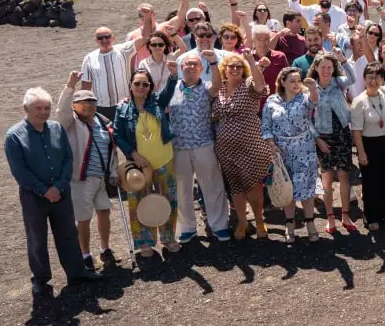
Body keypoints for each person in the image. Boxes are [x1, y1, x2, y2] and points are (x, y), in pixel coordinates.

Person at [6, 87, 101, 299]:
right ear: (26, 109)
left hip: (61, 192)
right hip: (34, 196)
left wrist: (58, 187)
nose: (43, 112)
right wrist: (45, 190)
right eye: (38, 108)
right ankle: (40, 280)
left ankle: (76, 272)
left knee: (68, 234)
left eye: (47, 108)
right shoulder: (14, 137)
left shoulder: (57, 129)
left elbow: (68, 159)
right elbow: (19, 171)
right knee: (37, 239)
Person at [112, 66, 180, 258]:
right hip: (138, 164)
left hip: (164, 160)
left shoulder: (157, 101)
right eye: (137, 83)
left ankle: (169, 237)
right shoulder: (122, 108)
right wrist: (133, 154)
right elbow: (117, 134)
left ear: (150, 87)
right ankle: (144, 242)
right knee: (139, 202)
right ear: (131, 86)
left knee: (170, 199)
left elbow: (169, 88)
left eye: (145, 84)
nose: (141, 87)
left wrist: (174, 75)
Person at [56, 72, 119, 269]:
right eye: (83, 102)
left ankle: (105, 249)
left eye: (92, 101)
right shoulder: (70, 123)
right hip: (81, 179)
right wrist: (69, 87)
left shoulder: (103, 123)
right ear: (74, 106)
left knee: (104, 211)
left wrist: (114, 172)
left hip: (101, 177)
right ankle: (85, 254)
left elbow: (112, 150)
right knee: (83, 218)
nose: (88, 105)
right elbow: (61, 112)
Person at [166, 53, 230, 242]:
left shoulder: (207, 87)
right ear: (181, 67)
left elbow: (218, 85)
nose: (191, 67)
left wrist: (213, 62)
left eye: (195, 64)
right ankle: (187, 228)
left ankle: (219, 225)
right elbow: (157, 102)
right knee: (182, 188)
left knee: (212, 186)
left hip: (204, 144)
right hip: (179, 146)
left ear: (201, 69)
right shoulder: (173, 88)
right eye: (187, 64)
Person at [212, 50, 273, 240]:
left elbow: (260, 85)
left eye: (239, 66)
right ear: (225, 69)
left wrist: (251, 61)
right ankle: (242, 222)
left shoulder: (248, 85)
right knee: (236, 186)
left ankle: (260, 221)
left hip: (250, 145)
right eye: (232, 66)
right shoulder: (219, 89)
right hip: (225, 149)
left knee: (253, 185)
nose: (235, 69)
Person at [261, 67, 321, 242]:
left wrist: (313, 88)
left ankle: (310, 223)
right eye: (292, 81)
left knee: (307, 186)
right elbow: (266, 127)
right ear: (283, 82)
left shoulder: (304, 98)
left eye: (298, 80)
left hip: (304, 148)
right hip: (282, 151)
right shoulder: (272, 101)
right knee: (287, 187)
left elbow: (314, 102)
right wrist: (271, 143)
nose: (296, 84)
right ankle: (290, 225)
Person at [309, 52, 358, 235]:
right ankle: (330, 218)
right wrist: (317, 139)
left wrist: (342, 60)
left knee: (344, 176)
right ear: (316, 68)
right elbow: (307, 118)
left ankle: (345, 215)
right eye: (323, 67)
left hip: (343, 134)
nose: (327, 71)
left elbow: (352, 78)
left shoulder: (339, 81)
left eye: (330, 67)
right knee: (327, 180)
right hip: (324, 137)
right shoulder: (311, 89)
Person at [352, 62, 385, 231]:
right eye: (370, 77)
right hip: (368, 144)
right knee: (371, 182)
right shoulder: (358, 101)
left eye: (378, 77)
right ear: (364, 79)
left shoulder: (384, 93)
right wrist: (361, 153)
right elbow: (356, 131)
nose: (374, 81)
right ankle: (371, 215)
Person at [81, 22, 149, 120]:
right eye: (100, 38)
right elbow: (85, 86)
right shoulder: (89, 58)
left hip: (125, 104)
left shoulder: (124, 50)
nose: (104, 40)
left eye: (107, 36)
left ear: (113, 38)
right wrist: (85, 106)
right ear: (96, 40)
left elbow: (145, 38)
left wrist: (147, 16)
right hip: (101, 108)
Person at [136, 30, 176, 95]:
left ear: (165, 46)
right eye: (154, 45)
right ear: (149, 46)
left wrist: (173, 34)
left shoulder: (171, 57)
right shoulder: (143, 63)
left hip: (172, 98)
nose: (157, 47)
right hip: (153, 99)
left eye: (160, 45)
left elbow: (183, 48)